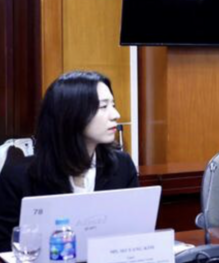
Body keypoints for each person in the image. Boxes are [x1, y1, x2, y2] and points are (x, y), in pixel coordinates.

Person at [0, 71, 138, 251]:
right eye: (103, 107)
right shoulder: (18, 176)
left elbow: (135, 233)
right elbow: (4, 251)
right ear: (71, 114)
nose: (116, 115)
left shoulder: (122, 166)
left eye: (113, 104)